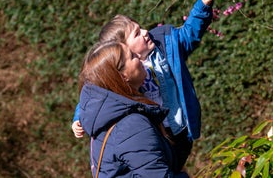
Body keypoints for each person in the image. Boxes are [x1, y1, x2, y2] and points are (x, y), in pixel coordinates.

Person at [73, 0, 214, 171]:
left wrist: (203, 6)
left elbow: (188, 35)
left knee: (176, 165)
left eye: (141, 28)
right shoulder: (122, 74)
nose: (146, 32)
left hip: (179, 129)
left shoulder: (165, 43)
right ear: (123, 48)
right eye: (137, 34)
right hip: (156, 133)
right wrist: (77, 119)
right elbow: (97, 95)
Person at [78, 40, 189, 177]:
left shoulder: (106, 118)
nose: (138, 55)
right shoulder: (131, 126)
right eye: (132, 56)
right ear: (123, 76)